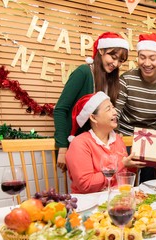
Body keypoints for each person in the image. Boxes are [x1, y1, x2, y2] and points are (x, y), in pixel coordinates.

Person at [54, 32, 129, 173]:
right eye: (113, 57)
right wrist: (63, 148)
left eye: (120, 61)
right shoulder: (83, 72)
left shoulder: (111, 80)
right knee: (86, 184)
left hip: (99, 146)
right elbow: (60, 109)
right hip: (79, 145)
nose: (116, 64)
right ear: (101, 50)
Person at [115, 33, 156, 182]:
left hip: (153, 139)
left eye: (152, 58)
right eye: (142, 57)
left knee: (149, 183)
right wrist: (116, 135)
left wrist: (155, 138)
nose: (147, 63)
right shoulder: (127, 79)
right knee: (126, 181)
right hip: (127, 138)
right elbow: (116, 112)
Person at [65, 91, 144, 194]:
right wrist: (122, 163)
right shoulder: (79, 144)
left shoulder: (117, 140)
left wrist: (133, 164)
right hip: (89, 202)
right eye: (108, 109)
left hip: (117, 199)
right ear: (93, 118)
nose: (115, 112)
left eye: (113, 107)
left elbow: (124, 177)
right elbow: (86, 185)